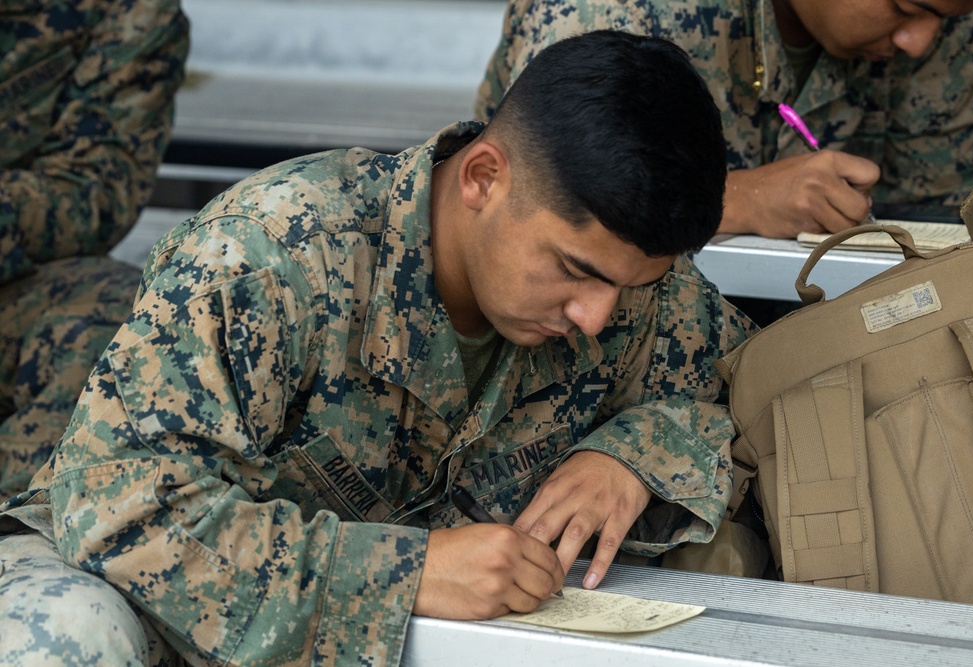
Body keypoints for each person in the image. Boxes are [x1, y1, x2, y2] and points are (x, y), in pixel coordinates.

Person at [0, 31, 754, 665]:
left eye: (630, 286)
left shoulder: (628, 293)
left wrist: (636, 456)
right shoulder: (275, 254)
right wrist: (407, 574)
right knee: (62, 634)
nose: (596, 315)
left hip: (414, 643)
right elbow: (119, 511)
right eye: (575, 270)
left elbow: (756, 385)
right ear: (484, 179)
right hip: (165, 617)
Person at [475, 0, 973, 239]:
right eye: (904, 8)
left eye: (947, 18)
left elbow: (951, 220)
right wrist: (741, 199)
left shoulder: (943, 25)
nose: (921, 41)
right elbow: (539, 202)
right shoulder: (613, 12)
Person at [0, 0, 190, 498]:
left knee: (127, 322)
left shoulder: (125, 12)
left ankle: (24, 517)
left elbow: (96, 193)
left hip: (15, 281)